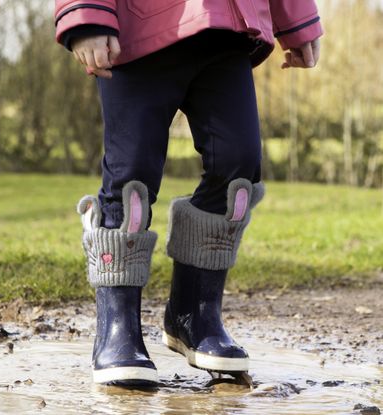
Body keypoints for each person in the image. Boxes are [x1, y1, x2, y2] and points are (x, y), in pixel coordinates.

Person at [55, 0, 322, 386]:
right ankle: (118, 330)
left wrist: (297, 20)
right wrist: (86, 15)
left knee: (238, 178)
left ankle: (194, 316)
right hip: (137, 30)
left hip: (230, 30)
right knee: (132, 183)